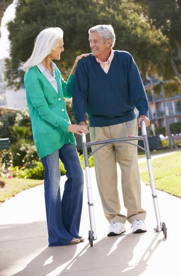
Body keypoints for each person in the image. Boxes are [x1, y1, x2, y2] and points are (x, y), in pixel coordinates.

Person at [73, 24, 150, 237]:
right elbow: (79, 94)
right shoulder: (85, 64)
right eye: (90, 41)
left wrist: (143, 112)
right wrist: (80, 120)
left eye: (95, 41)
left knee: (130, 171)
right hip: (98, 125)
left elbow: (137, 86)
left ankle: (137, 217)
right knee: (104, 175)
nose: (91, 45)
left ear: (108, 42)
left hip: (126, 122)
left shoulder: (125, 59)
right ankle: (115, 220)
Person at [23, 27, 88, 247]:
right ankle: (57, 236)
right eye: (60, 44)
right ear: (49, 46)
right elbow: (41, 109)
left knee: (77, 177)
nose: (62, 47)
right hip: (48, 135)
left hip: (64, 134)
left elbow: (67, 92)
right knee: (53, 184)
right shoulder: (32, 74)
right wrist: (69, 126)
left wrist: (77, 67)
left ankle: (69, 230)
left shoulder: (55, 69)